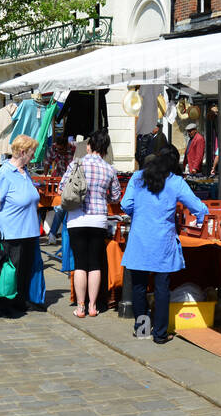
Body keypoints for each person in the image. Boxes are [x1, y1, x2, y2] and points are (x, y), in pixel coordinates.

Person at [120, 145, 208, 344]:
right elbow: (198, 207)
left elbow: (126, 205)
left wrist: (141, 214)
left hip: (140, 240)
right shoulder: (176, 182)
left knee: (139, 287)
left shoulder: (137, 177)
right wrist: (203, 218)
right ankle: (160, 334)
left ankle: (142, 329)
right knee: (161, 289)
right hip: (162, 242)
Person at [60, 128, 121, 318]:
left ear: (89, 146)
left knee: (80, 264)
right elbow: (116, 196)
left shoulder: (76, 164)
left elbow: (63, 187)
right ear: (104, 148)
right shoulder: (109, 169)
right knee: (95, 264)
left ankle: (80, 307)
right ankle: (93, 306)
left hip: (77, 218)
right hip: (99, 219)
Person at [0, 134, 42, 318]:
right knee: (11, 271)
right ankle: (4, 305)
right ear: (22, 151)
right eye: (32, 152)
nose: (34, 156)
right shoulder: (4, 173)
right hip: (12, 231)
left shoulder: (25, 172)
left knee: (25, 269)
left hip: (29, 230)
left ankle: (19, 301)